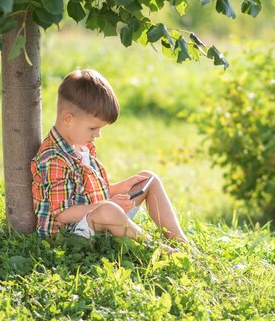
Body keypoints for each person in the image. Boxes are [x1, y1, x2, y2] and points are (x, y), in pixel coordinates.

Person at [31, 69, 189, 249]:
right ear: (68, 119)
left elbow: (87, 194)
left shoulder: (82, 145)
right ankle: (156, 249)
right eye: (93, 128)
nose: (98, 134)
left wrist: (119, 188)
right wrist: (107, 204)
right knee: (108, 211)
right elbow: (63, 214)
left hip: (96, 217)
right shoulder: (54, 159)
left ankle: (182, 243)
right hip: (69, 235)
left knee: (149, 179)